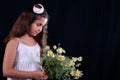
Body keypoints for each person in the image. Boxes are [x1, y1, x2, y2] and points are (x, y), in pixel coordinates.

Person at [2, 3, 49, 80]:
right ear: (28, 21)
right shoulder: (14, 42)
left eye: (43, 26)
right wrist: (33, 75)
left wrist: (42, 74)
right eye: (38, 25)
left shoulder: (38, 45)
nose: (40, 29)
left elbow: (38, 69)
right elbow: (6, 71)